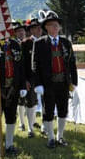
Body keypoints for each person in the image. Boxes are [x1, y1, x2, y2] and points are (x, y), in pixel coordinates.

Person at [32, 11, 78, 149]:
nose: (55, 28)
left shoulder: (66, 43)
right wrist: (38, 84)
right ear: (46, 27)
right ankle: (51, 137)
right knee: (48, 111)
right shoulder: (39, 43)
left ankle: (60, 136)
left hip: (63, 82)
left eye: (56, 25)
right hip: (48, 83)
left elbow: (72, 63)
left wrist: (74, 81)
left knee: (63, 110)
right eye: (51, 25)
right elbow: (34, 65)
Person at [0, 38, 27, 157]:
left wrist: (22, 86)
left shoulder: (15, 45)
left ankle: (9, 144)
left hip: (13, 87)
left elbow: (21, 66)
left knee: (11, 116)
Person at [20, 18, 42, 138]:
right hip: (30, 79)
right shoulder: (25, 43)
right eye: (36, 28)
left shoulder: (45, 42)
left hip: (44, 79)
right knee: (31, 103)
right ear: (31, 30)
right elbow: (22, 65)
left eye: (40, 27)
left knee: (45, 103)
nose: (39, 30)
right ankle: (30, 127)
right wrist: (25, 80)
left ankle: (44, 126)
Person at [12, 21, 28, 133]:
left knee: (32, 101)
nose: (21, 33)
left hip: (29, 75)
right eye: (18, 31)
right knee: (20, 101)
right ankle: (21, 123)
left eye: (22, 30)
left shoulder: (29, 43)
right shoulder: (14, 45)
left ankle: (31, 122)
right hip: (17, 77)